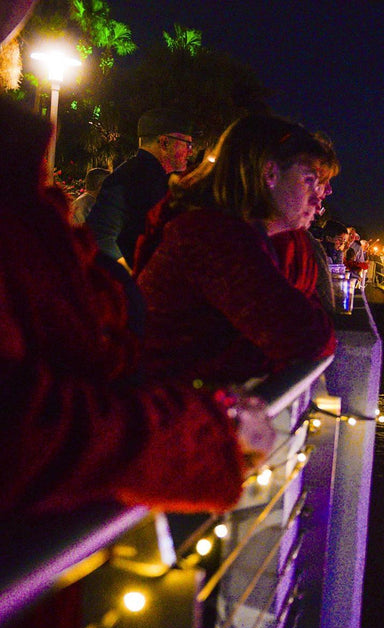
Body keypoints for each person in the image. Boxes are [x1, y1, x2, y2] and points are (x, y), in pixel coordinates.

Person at [0, 95, 272, 516]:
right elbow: (23, 431)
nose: (189, 152)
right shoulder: (138, 178)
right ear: (164, 143)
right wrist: (205, 433)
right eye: (183, 143)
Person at [133, 113, 337, 385]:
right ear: (269, 173)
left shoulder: (232, 233)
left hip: (182, 402)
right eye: (309, 179)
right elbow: (307, 337)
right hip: (165, 408)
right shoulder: (215, 239)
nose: (318, 194)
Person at [87, 107, 194, 269]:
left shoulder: (130, 176)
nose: (190, 152)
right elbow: (100, 237)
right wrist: (131, 280)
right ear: (164, 142)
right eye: (187, 144)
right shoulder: (128, 179)